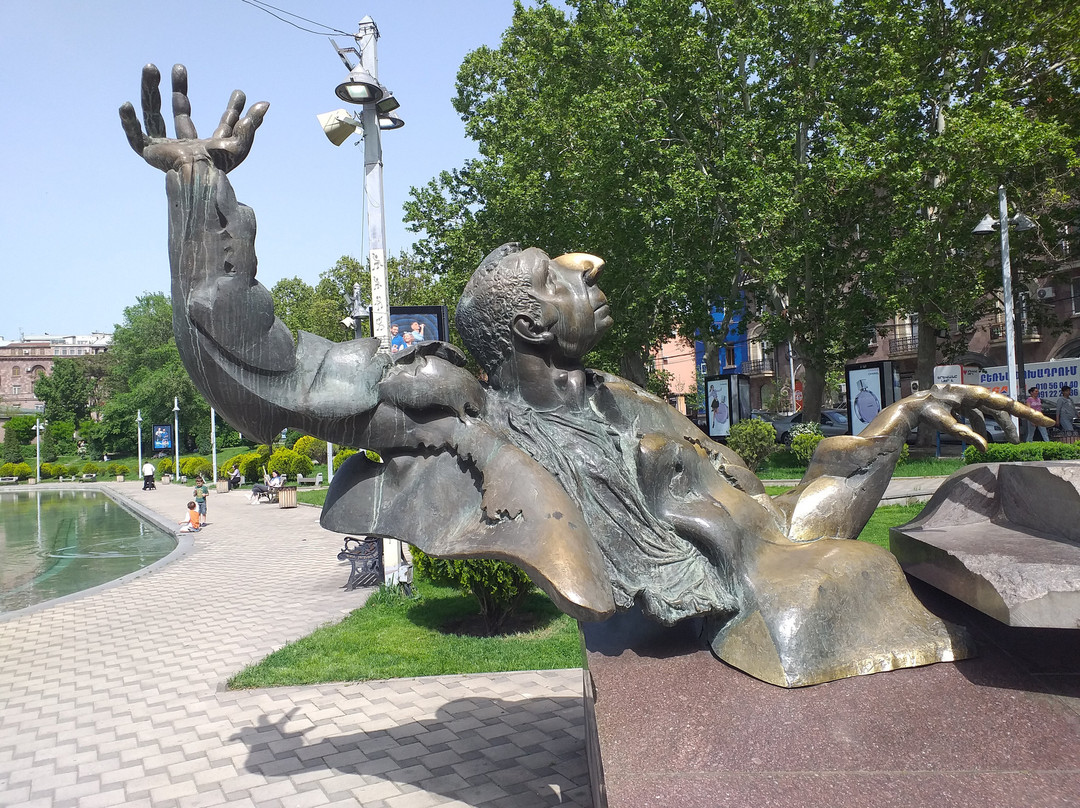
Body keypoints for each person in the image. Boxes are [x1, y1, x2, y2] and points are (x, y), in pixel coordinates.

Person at [122, 65, 1054, 686]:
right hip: (780, 619)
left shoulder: (637, 406)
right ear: (530, 322)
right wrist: (198, 182)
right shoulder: (456, 416)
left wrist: (891, 427)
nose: (589, 271)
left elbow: (783, 529)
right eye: (557, 275)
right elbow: (259, 369)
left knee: (935, 547)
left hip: (784, 609)